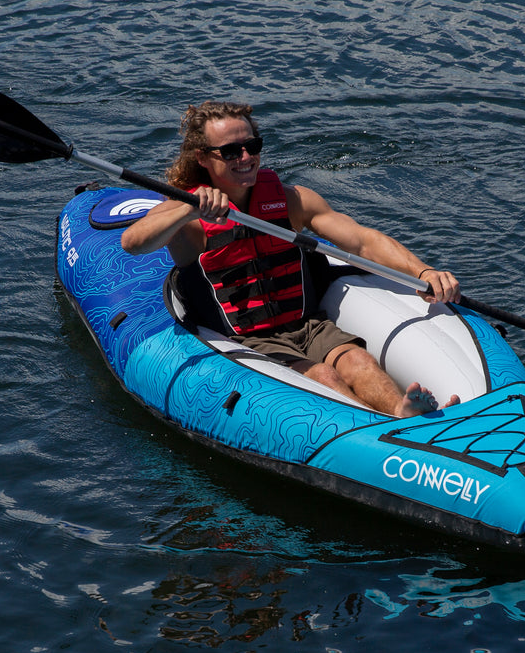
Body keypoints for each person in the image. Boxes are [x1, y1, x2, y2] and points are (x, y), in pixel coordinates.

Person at [121, 101, 462, 418]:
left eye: (252, 147)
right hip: (246, 340)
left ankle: (400, 412)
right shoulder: (188, 216)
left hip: (306, 324)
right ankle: (380, 427)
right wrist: (187, 208)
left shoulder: (290, 200)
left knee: (359, 361)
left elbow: (362, 241)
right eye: (230, 151)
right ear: (202, 157)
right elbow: (133, 243)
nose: (245, 157)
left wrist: (423, 270)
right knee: (324, 375)